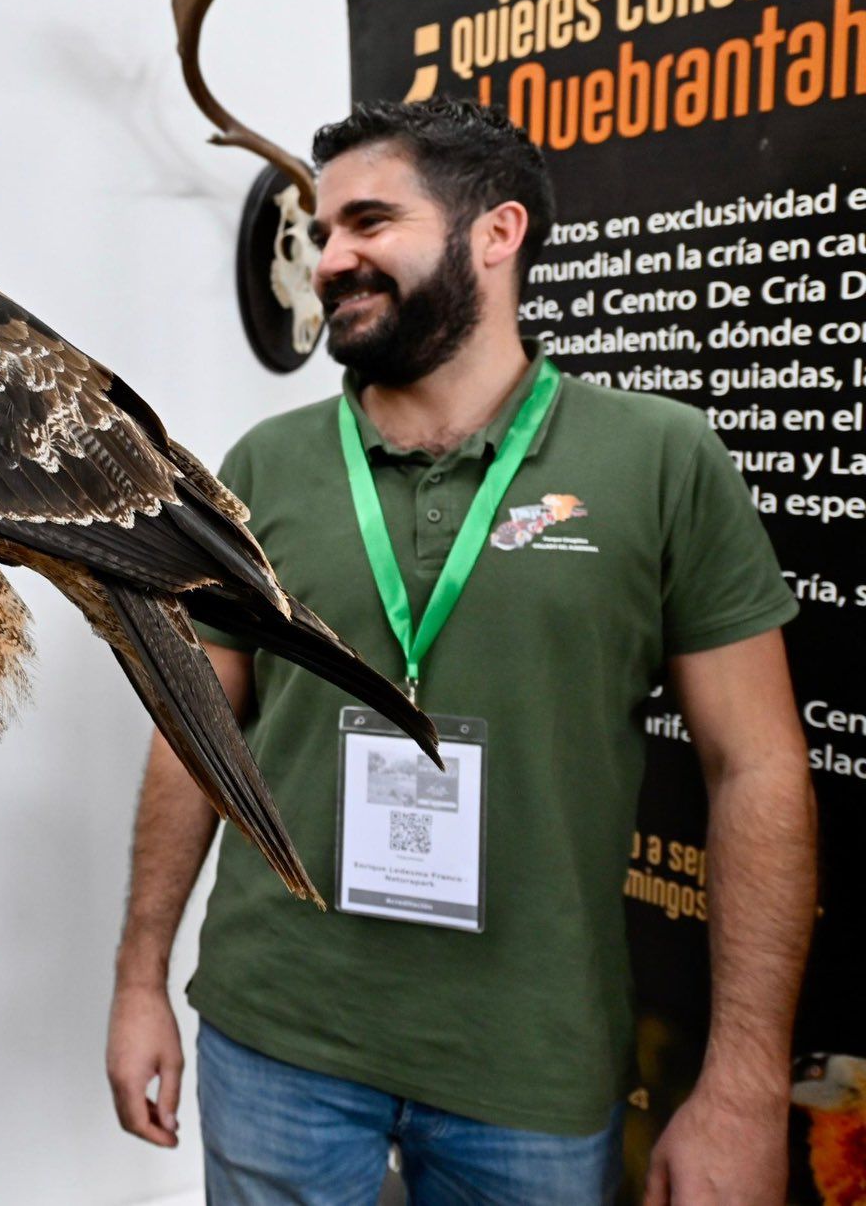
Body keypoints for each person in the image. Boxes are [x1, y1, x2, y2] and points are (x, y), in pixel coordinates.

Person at [104, 99, 816, 1204]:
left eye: (367, 221)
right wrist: (139, 975)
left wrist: (741, 1082)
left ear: (495, 232)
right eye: (322, 228)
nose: (329, 257)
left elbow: (756, 766)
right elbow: (194, 733)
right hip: (275, 1037)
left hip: (526, 1068)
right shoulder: (264, 461)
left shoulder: (658, 457)